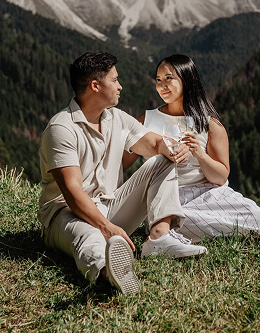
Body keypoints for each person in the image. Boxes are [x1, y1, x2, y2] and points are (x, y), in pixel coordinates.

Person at [38, 52, 207, 295]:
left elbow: (152, 143)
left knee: (162, 159)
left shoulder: (117, 118)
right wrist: (106, 227)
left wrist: (171, 147)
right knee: (87, 235)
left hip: (111, 206)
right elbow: (73, 194)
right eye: (115, 80)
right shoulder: (61, 128)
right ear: (95, 86)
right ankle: (110, 272)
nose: (120, 86)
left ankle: (159, 237)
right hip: (65, 214)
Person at [123, 54, 260, 247]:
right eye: (158, 79)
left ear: (187, 80)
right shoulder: (145, 120)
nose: (162, 85)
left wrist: (199, 153)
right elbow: (122, 164)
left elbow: (220, 177)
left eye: (169, 78)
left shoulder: (210, 124)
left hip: (208, 195)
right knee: (185, 223)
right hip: (166, 201)